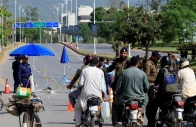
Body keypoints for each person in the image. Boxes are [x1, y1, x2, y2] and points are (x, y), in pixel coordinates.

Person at [113, 56, 149, 126]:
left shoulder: (124, 73)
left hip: (126, 98)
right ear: (138, 63)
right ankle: (141, 112)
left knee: (115, 105)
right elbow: (147, 87)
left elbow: (118, 87)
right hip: (140, 98)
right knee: (146, 97)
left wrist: (118, 92)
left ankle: (115, 121)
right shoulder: (143, 73)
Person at [74, 57, 105, 127]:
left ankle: (77, 124)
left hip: (86, 94)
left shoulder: (84, 70)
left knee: (77, 108)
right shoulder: (101, 71)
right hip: (97, 95)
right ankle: (99, 118)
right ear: (97, 64)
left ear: (89, 63)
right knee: (100, 106)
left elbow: (81, 83)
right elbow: (102, 87)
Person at [146, 56, 174, 127]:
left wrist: (155, 86)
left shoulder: (162, 70)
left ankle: (152, 122)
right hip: (172, 96)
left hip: (162, 96)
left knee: (152, 105)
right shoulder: (173, 71)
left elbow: (157, 82)